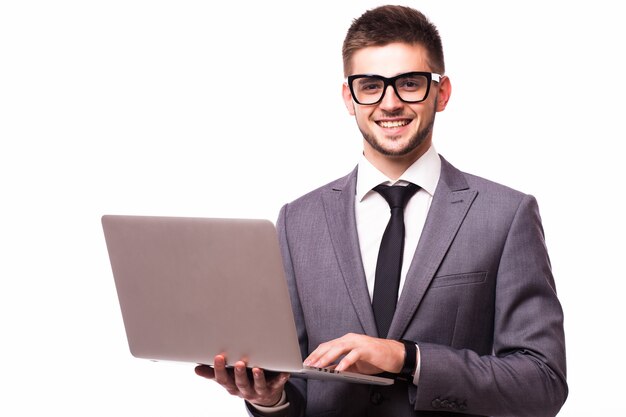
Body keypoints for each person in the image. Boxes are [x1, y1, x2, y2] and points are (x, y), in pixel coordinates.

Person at [195, 5, 568, 417]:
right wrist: (269, 400)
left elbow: (543, 382)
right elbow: (296, 388)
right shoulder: (297, 221)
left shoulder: (506, 215)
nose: (390, 103)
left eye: (409, 83)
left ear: (441, 93)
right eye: (370, 85)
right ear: (348, 97)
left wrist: (407, 358)